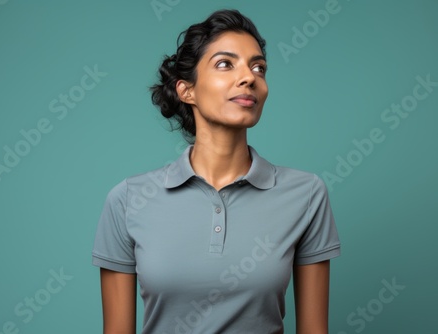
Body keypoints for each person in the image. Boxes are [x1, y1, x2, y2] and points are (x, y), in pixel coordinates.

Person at [92, 9, 340, 334]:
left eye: (258, 67)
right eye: (225, 64)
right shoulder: (128, 200)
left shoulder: (306, 194)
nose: (249, 77)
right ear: (186, 91)